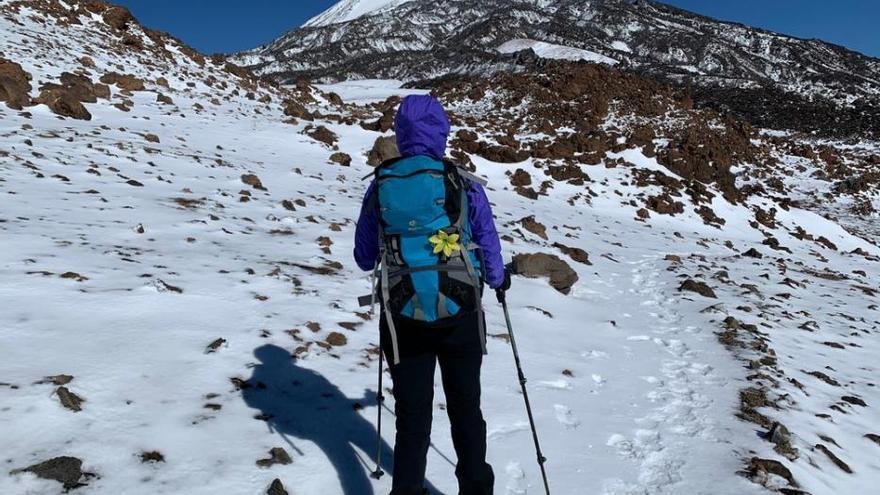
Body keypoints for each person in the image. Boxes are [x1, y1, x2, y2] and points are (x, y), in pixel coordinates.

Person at [354, 94, 511, 495]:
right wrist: (497, 278)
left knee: (412, 416)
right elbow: (488, 243)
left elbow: (363, 257)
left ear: (400, 135)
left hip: (402, 317)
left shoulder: (381, 185)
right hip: (460, 312)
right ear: (442, 131)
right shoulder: (460, 180)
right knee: (465, 410)